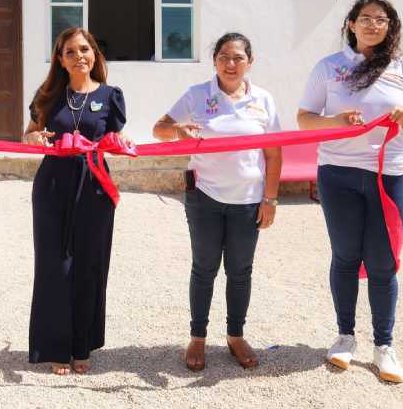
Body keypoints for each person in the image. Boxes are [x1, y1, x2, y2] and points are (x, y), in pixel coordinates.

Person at [297, 0, 403, 383]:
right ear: (351, 24)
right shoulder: (329, 67)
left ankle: (384, 346)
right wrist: (335, 121)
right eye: (366, 18)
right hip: (338, 174)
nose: (373, 25)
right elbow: (305, 119)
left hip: (389, 175)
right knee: (345, 255)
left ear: (390, 27)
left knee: (383, 262)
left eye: (382, 20)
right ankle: (344, 337)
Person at [153, 33, 282, 371]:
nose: (230, 63)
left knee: (240, 271)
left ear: (250, 63)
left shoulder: (264, 100)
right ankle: (197, 338)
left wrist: (270, 198)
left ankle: (235, 336)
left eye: (238, 57)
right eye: (224, 56)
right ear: (214, 61)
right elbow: (159, 129)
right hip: (204, 197)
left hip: (249, 201)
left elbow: (274, 152)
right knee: (204, 268)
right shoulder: (198, 95)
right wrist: (177, 130)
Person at [24, 27, 128, 375]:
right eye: (70, 51)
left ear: (95, 54)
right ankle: (55, 346)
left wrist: (119, 141)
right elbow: (28, 134)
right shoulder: (49, 95)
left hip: (95, 184)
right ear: (60, 59)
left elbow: (117, 135)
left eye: (84, 49)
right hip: (53, 183)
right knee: (54, 264)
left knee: (89, 264)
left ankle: (82, 345)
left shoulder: (111, 95)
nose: (79, 55)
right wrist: (35, 137)